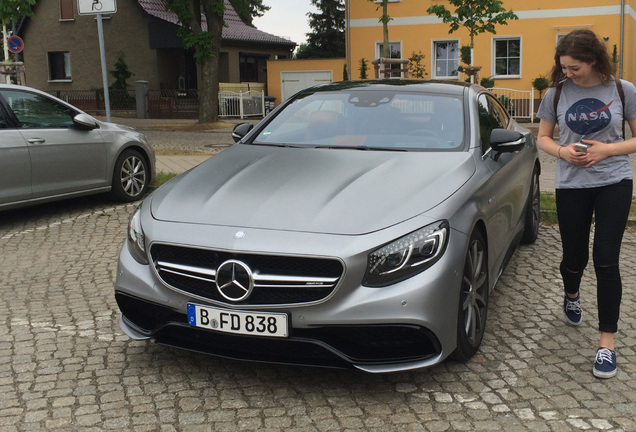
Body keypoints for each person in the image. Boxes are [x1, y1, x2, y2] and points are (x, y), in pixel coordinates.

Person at [536, 29, 636, 379]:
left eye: (574, 67)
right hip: (571, 184)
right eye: (563, 67)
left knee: (606, 260)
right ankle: (572, 292)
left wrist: (607, 149)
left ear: (593, 61)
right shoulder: (557, 93)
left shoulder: (623, 90)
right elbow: (544, 138)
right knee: (574, 257)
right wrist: (563, 151)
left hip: (614, 182)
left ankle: (606, 345)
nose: (567, 73)